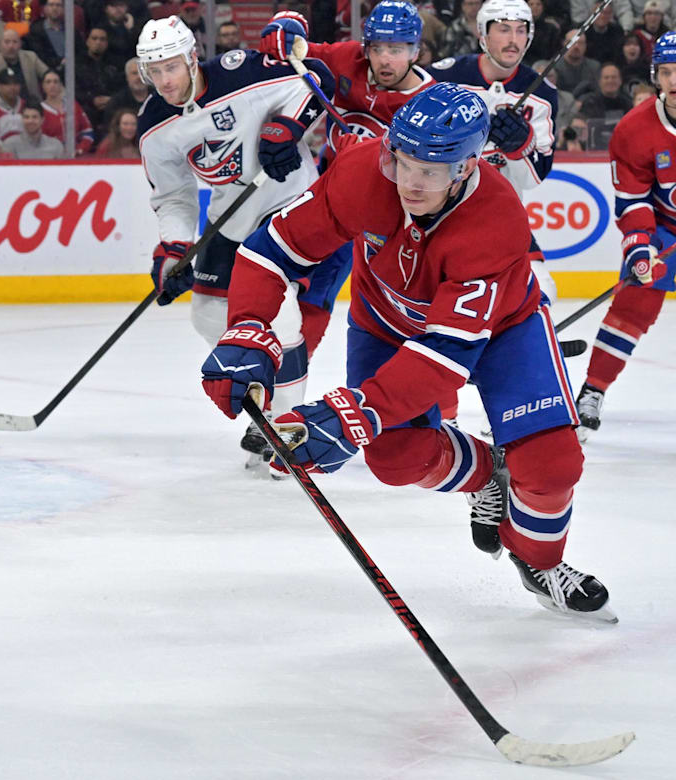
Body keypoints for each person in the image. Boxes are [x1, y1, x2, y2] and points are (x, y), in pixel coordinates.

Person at [200, 82, 614, 622]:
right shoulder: (362, 173)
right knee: (396, 459)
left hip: (503, 332)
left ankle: (539, 560)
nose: (410, 184)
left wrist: (357, 412)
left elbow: (445, 356)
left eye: (431, 171)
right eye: (403, 162)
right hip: (385, 326)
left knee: (553, 465)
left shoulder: (495, 221)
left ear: (466, 167)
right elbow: (270, 251)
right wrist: (248, 326)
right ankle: (489, 474)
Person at [137, 15, 341, 470]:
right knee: (209, 314)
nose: (165, 80)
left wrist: (288, 127)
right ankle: (268, 399)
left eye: (172, 67)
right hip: (230, 220)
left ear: (192, 57)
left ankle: (288, 430)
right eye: (154, 72)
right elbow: (172, 195)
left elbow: (317, 78)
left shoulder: (239, 71)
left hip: (289, 205)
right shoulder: (154, 124)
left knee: (280, 314)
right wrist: (173, 250)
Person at [258, 3, 434, 365]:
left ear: (416, 51)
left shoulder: (428, 103)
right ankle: (282, 384)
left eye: (397, 50)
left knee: (397, 316)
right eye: (377, 48)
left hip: (385, 222)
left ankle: (434, 404)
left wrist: (372, 158)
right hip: (327, 199)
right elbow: (290, 50)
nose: (385, 60)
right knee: (288, 288)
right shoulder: (345, 60)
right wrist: (285, 25)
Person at [573, 32, 676, 442]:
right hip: (665, 230)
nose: (674, 82)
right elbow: (633, 201)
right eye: (666, 73)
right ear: (655, 77)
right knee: (631, 307)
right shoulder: (635, 129)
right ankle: (592, 391)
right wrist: (640, 246)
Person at [428, 0, 560, 306]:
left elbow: (532, 179)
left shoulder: (542, 94)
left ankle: (531, 344)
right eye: (503, 29)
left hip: (502, 217)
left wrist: (520, 146)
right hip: (441, 217)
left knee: (542, 292)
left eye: (520, 30)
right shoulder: (444, 78)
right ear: (482, 35)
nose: (513, 39)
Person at [37, 69, 93, 153]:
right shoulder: (39, 110)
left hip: (76, 157)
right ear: (43, 86)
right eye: (48, 82)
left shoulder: (73, 105)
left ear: (61, 85)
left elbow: (87, 131)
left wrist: (81, 149)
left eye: (56, 82)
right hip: (51, 159)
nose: (52, 85)